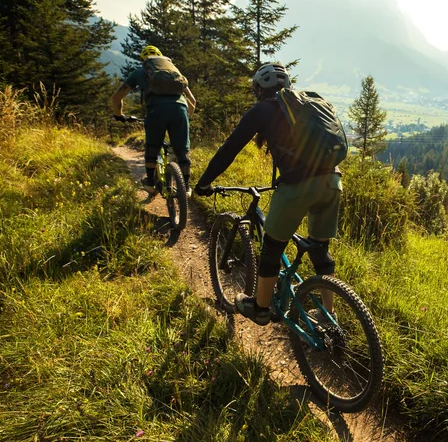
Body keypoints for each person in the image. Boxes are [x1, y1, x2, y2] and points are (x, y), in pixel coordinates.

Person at [194, 63, 342, 326]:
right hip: (332, 181)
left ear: (260, 89)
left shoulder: (263, 109)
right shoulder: (304, 104)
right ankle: (328, 315)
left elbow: (230, 148)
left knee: (272, 247)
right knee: (320, 249)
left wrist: (204, 182)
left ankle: (261, 309)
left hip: (298, 185)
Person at [111, 45, 196, 196]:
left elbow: (117, 96)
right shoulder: (174, 72)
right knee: (182, 150)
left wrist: (119, 114)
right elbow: (193, 101)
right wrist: (187, 118)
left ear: (144, 60)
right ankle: (187, 187)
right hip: (180, 110)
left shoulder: (140, 72)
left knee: (152, 146)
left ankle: (150, 182)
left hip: (156, 111)